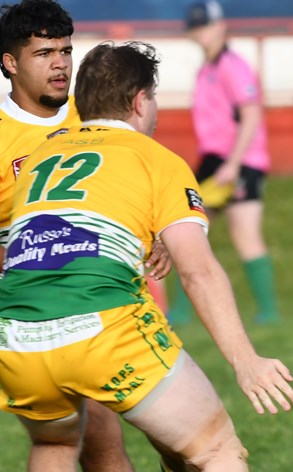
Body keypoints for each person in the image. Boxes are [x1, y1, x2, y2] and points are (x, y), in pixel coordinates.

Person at [0, 40, 293, 471]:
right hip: (100, 326)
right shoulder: (157, 159)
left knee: (58, 445)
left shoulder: (40, 158)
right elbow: (198, 272)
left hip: (16, 335)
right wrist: (245, 360)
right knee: (216, 451)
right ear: (140, 102)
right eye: (153, 97)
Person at [0, 1, 167, 470]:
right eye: (43, 53)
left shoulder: (92, 112)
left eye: (66, 50)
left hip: (118, 300)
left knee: (179, 441)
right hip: (42, 311)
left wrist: (159, 229)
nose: (60, 63)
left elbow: (141, 170)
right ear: (10, 63)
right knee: (99, 437)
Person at [168, 0, 279, 325]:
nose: (201, 32)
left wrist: (233, 163)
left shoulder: (232, 65)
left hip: (238, 163)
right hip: (213, 161)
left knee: (244, 236)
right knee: (186, 232)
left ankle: (268, 313)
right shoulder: (206, 70)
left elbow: (251, 114)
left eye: (206, 25)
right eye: (197, 27)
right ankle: (183, 312)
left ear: (220, 26)